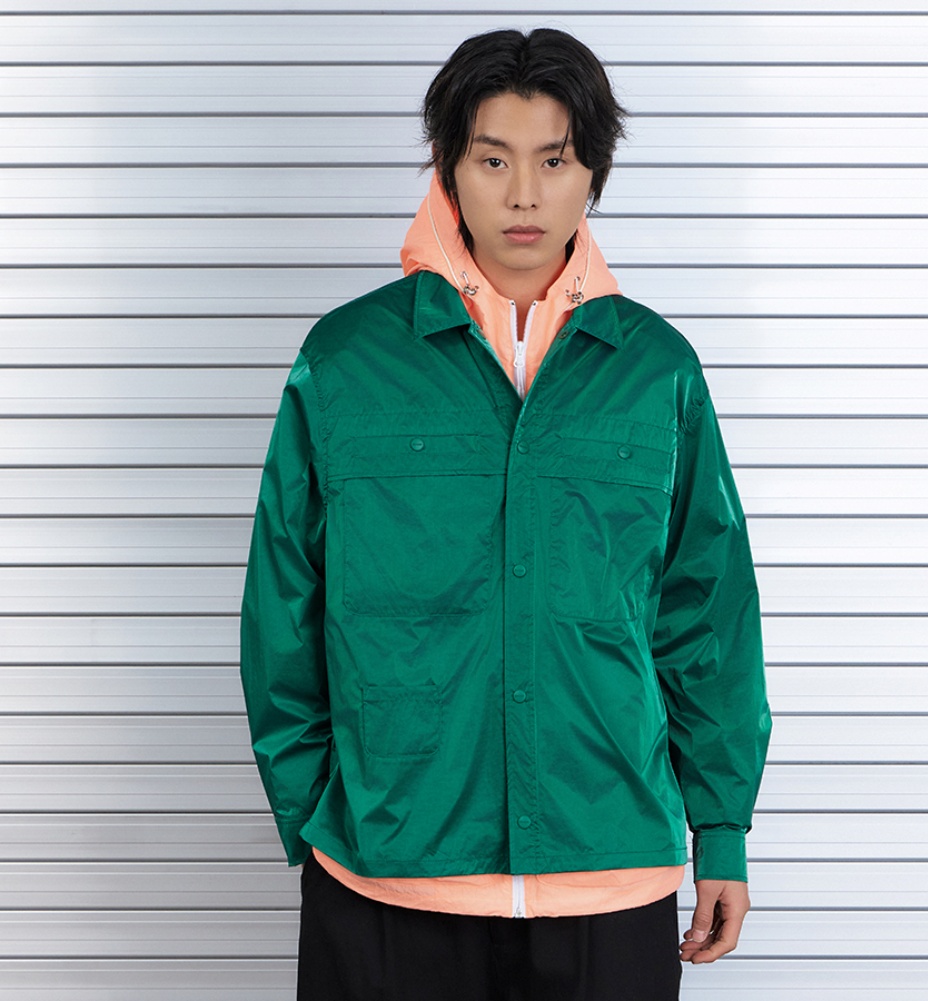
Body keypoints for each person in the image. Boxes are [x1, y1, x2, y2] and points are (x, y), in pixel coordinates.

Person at [240, 26, 771, 1001]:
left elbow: (705, 615)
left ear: (591, 172)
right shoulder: (346, 360)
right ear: (449, 167)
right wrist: (317, 815)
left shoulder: (656, 370)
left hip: (609, 874)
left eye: (552, 160)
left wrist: (721, 829)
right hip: (386, 877)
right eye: (493, 160)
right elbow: (284, 609)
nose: (523, 194)